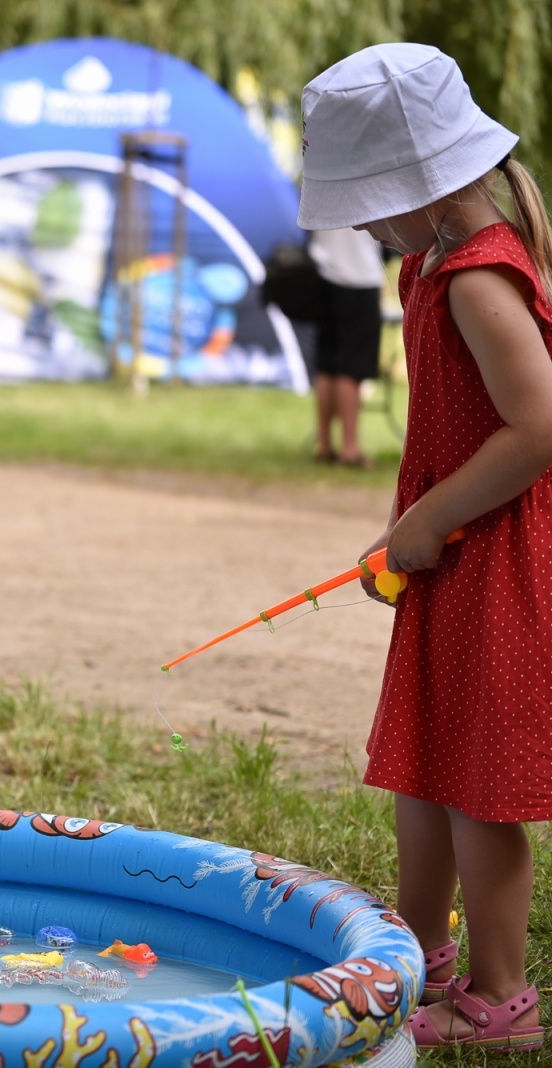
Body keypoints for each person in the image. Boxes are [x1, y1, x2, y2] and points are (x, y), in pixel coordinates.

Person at [298, 43, 552, 1053]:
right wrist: (420, 524)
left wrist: (428, 519)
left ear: (424, 188)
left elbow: (537, 428)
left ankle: (500, 999)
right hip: (456, 545)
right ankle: (417, 948)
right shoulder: (430, 259)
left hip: (495, 556)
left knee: (479, 782)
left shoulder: (476, 279)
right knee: (424, 756)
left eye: (368, 197)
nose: (358, 218)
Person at [307, 226, 387, 467]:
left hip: (324, 274)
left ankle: (324, 444)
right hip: (359, 277)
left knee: (327, 364)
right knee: (352, 368)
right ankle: (349, 448)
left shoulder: (322, 186)